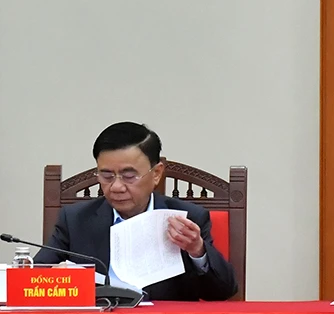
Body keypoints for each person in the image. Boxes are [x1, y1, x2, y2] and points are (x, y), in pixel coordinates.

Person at [39, 121, 237, 300]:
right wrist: (57, 277)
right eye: (106, 175)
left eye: (129, 176)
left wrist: (197, 250)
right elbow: (32, 279)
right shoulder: (76, 220)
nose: (116, 186)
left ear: (156, 174)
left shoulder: (187, 218)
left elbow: (222, 293)